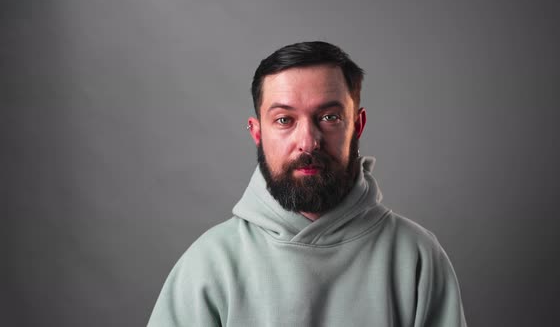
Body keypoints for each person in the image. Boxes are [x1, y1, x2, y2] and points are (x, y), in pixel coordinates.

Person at [147, 41, 467, 327]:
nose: (308, 142)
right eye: (285, 120)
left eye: (329, 117)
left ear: (357, 125)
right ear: (257, 132)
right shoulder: (208, 264)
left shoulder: (416, 258)